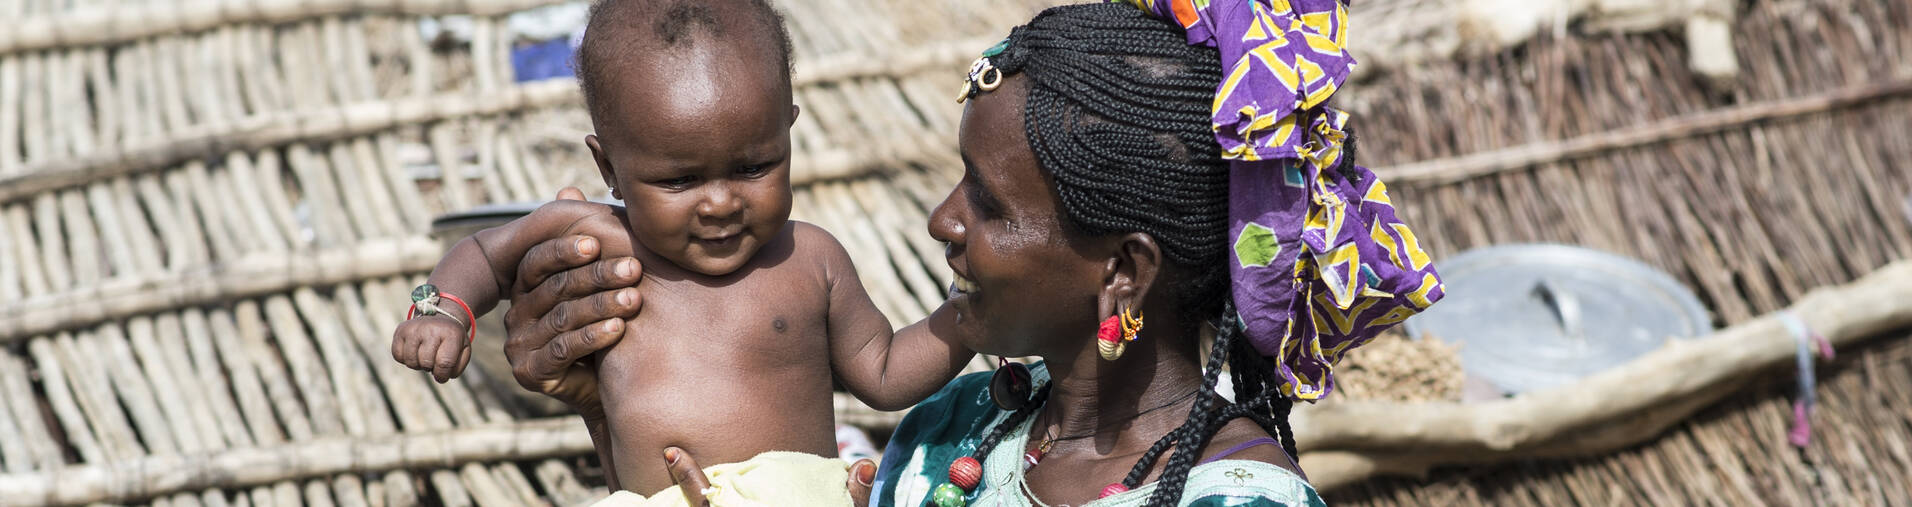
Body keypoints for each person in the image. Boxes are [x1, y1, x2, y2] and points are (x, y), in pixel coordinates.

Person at [497, 1, 1444, 505]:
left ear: (1125, 272)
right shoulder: (950, 438)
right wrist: (626, 426)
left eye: (987, 203)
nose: (940, 222)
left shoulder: (1236, 506)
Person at [387, 0, 973, 503]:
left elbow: (885, 373)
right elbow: (485, 253)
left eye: (753, 167)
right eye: (678, 181)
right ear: (609, 168)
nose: (720, 203)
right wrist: (441, 308)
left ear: (788, 132)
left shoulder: (811, 258)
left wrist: (968, 316)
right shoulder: (596, 238)